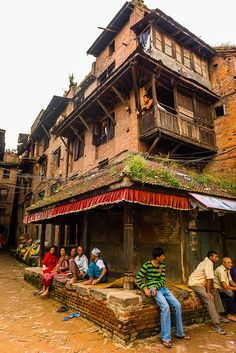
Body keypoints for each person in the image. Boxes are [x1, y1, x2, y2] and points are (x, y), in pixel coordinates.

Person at [137, 247, 190, 348]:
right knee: (165, 307)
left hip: (162, 288)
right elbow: (139, 278)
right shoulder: (147, 265)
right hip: (152, 288)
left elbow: (162, 280)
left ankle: (179, 333)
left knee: (177, 305)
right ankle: (165, 338)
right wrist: (145, 288)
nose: (164, 257)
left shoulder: (162, 265)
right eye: (162, 256)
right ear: (158, 257)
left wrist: (157, 287)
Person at [188, 251, 229, 335]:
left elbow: (210, 279)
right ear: (211, 257)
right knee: (209, 299)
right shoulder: (208, 263)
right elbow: (208, 279)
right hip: (195, 284)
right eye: (215, 257)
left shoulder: (207, 262)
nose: (217, 259)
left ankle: (218, 315)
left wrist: (213, 289)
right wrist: (208, 292)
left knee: (216, 293)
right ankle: (216, 324)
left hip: (201, 284)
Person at [214, 257, 236, 321]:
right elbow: (225, 286)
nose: (231, 264)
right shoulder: (220, 270)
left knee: (232, 292)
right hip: (217, 289)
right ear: (223, 263)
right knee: (230, 293)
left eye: (231, 262)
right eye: (229, 262)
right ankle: (230, 314)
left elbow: (231, 282)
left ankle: (233, 313)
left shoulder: (227, 269)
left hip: (223, 288)